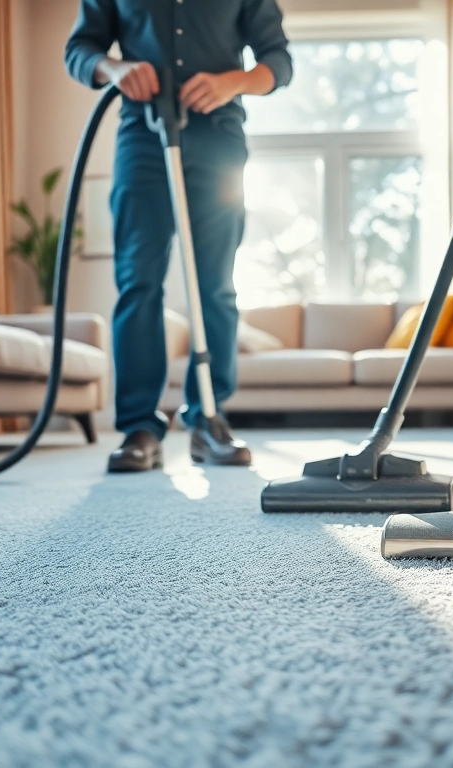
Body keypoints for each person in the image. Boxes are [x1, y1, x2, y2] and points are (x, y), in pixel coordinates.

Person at [65, 0, 292, 472]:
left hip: (219, 138)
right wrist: (113, 66)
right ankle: (139, 428)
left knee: (215, 285)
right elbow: (79, 49)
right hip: (142, 135)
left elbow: (278, 61)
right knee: (137, 279)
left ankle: (209, 417)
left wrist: (235, 81)